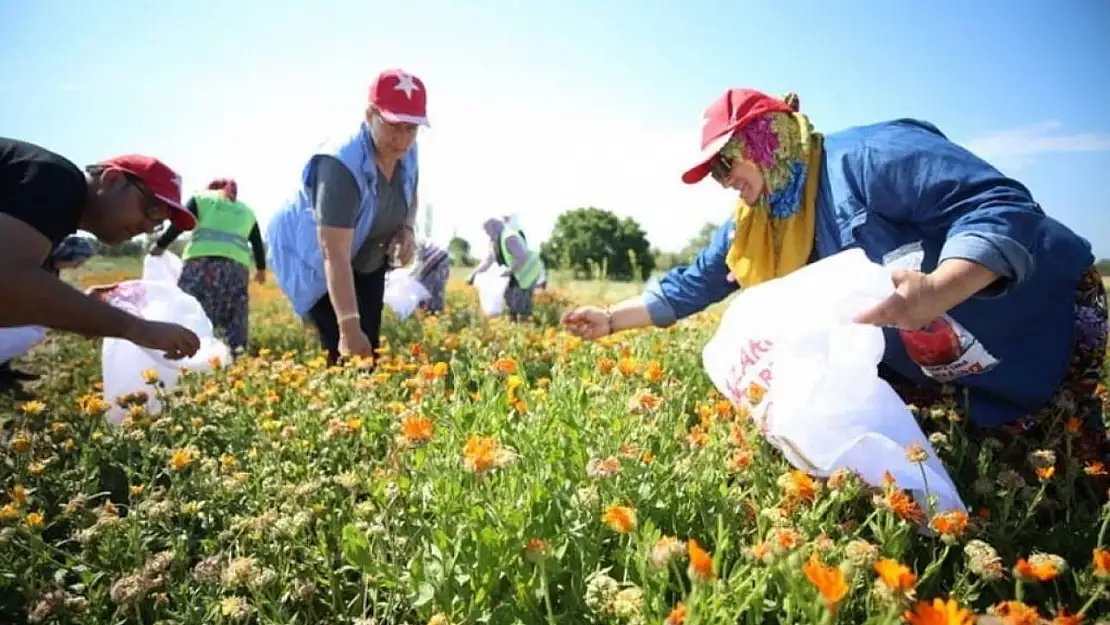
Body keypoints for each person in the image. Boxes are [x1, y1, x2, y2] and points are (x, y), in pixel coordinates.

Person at [561, 88, 1107, 493]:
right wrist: (611, 318)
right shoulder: (756, 224)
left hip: (1039, 314)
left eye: (726, 162)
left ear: (766, 137)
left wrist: (938, 289)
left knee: (1083, 482)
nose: (723, 180)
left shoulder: (872, 156)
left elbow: (1000, 207)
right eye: (713, 173)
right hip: (946, 364)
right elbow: (694, 283)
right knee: (1008, 490)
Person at [266, 68, 426, 364]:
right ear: (370, 115)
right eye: (394, 125)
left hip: (368, 255)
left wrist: (407, 229)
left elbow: (411, 189)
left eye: (411, 128)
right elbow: (333, 254)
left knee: (370, 346)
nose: (403, 139)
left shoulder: (408, 151)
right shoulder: (340, 164)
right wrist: (348, 327)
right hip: (315, 258)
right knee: (343, 345)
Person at [0, 138, 202, 361]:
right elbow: (8, 281)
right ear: (112, 179)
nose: (147, 227)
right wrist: (136, 328)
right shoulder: (56, 179)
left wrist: (86, 310)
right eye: (151, 209)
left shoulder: (52, 213)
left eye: (158, 224)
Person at [150, 178, 266, 354]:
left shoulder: (201, 199)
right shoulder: (246, 211)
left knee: (191, 308)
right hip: (236, 269)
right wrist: (261, 269)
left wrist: (160, 245)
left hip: (201, 265)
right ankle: (235, 355)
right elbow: (257, 242)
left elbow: (179, 225)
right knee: (234, 313)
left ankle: (190, 354)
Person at [0, 235, 97, 399]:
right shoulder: (40, 264)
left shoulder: (52, 268)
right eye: (79, 261)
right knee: (23, 334)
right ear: (68, 254)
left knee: (31, 332)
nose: (78, 266)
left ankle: (3, 369)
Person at [467, 216, 545, 321]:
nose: (487, 234)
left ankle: (525, 329)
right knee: (509, 297)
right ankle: (513, 326)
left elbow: (521, 257)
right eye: (486, 231)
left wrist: (509, 271)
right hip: (516, 272)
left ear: (495, 227)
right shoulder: (495, 241)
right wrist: (474, 273)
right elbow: (488, 261)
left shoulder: (509, 237)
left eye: (488, 230)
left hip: (528, 271)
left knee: (521, 302)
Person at [411, 240, 451, 314]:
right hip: (437, 291)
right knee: (435, 308)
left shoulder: (424, 255)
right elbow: (447, 273)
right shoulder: (442, 255)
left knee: (425, 308)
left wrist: (409, 277)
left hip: (428, 290)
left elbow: (415, 269)